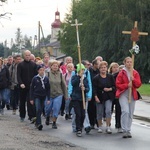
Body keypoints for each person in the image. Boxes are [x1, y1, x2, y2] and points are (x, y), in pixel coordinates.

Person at [116, 57, 142, 138]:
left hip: (132, 94)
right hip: (123, 94)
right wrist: (126, 85)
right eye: (127, 62)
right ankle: (124, 129)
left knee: (130, 113)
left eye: (130, 62)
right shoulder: (122, 73)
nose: (129, 63)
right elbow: (117, 84)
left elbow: (138, 84)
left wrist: (133, 80)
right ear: (125, 63)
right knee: (125, 111)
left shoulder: (135, 72)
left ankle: (128, 129)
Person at [93, 61, 116, 134]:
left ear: (107, 68)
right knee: (99, 112)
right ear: (99, 69)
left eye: (104, 67)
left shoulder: (110, 77)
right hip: (99, 96)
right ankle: (100, 126)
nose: (103, 69)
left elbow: (114, 87)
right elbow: (94, 88)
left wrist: (110, 89)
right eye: (101, 68)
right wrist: (95, 96)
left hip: (108, 96)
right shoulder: (96, 78)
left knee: (108, 111)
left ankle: (108, 126)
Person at [45, 60, 68, 129]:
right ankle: (47, 116)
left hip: (58, 94)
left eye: (57, 66)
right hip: (49, 95)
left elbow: (64, 85)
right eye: (54, 66)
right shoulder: (47, 74)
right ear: (51, 67)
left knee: (56, 108)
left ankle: (54, 122)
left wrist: (66, 95)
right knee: (48, 109)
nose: (55, 67)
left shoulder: (60, 75)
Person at [17, 50, 37, 122]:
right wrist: (21, 83)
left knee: (30, 101)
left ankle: (31, 116)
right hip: (23, 86)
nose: (28, 56)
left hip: (31, 86)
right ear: (24, 55)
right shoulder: (20, 65)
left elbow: (36, 75)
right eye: (26, 55)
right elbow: (18, 75)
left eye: (29, 55)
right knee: (22, 102)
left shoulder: (34, 65)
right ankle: (22, 115)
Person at [71, 64, 89, 137]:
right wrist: (79, 77)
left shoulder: (85, 79)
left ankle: (81, 126)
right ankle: (78, 129)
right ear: (78, 71)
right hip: (76, 98)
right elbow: (73, 84)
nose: (82, 71)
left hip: (83, 98)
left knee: (83, 114)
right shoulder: (74, 77)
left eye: (83, 70)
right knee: (78, 114)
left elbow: (88, 88)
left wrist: (85, 89)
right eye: (81, 70)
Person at [30, 64, 50, 130]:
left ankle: (37, 121)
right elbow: (32, 88)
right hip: (36, 96)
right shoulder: (35, 78)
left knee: (41, 109)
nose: (42, 71)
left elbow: (48, 89)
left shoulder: (46, 78)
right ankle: (39, 123)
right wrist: (31, 98)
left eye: (43, 70)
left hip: (43, 96)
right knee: (38, 108)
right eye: (40, 70)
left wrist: (48, 98)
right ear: (38, 71)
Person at [108, 62, 122, 133]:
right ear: (111, 69)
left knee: (118, 110)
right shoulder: (109, 76)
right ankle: (108, 123)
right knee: (109, 110)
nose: (116, 69)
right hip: (111, 94)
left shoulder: (120, 75)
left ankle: (118, 124)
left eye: (117, 67)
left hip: (118, 94)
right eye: (114, 67)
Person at [88, 59, 100, 129]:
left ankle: (97, 121)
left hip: (98, 91)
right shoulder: (90, 71)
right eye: (98, 64)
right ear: (94, 64)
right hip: (91, 90)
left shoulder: (99, 71)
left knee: (97, 108)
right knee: (91, 108)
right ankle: (91, 122)